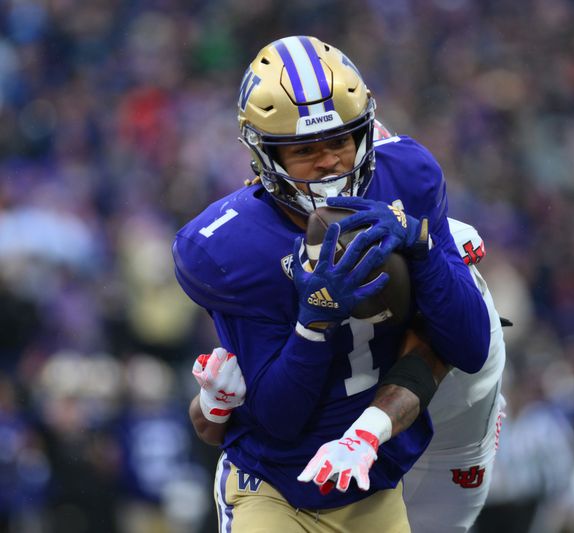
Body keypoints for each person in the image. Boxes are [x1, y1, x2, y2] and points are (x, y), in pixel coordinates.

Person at [172, 35, 491, 532]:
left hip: (373, 481)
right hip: (275, 485)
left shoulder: (407, 177)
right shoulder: (226, 249)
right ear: (264, 156)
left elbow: (470, 347)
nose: (329, 162)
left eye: (340, 141)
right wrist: (315, 320)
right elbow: (279, 420)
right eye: (303, 150)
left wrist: (422, 247)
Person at [190, 216, 507, 533]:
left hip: (450, 424)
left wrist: (366, 433)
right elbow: (227, 422)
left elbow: (424, 366)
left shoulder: (443, 276)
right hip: (309, 478)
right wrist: (214, 403)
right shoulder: (281, 279)